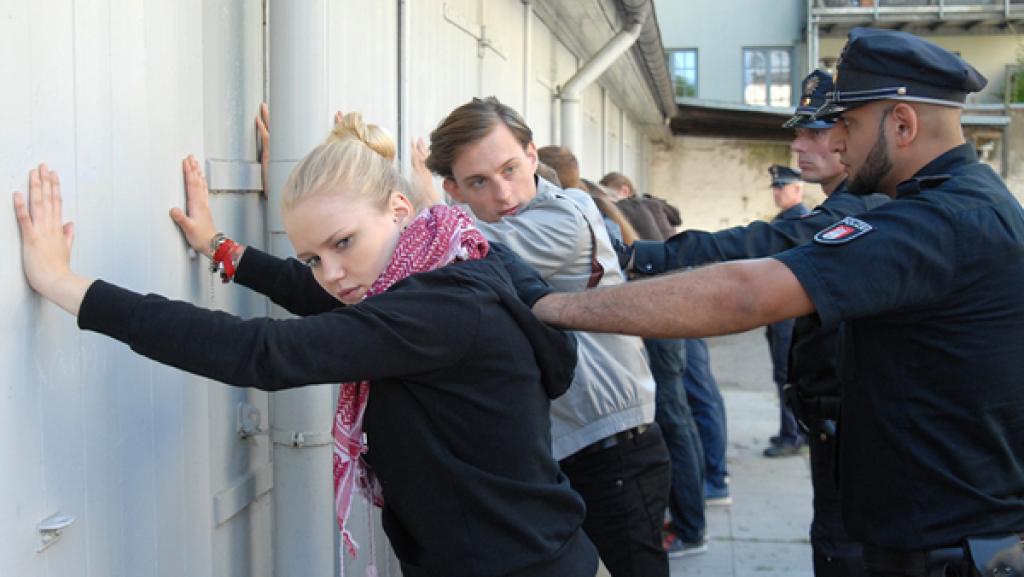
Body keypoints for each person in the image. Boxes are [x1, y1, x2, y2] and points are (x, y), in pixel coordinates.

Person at [527, 28, 1024, 577]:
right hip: (935, 525)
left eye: (849, 127)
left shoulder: (938, 222)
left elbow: (746, 293)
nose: (837, 144)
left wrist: (551, 307)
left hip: (939, 545)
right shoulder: (961, 204)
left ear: (902, 125)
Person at [15, 113, 600, 577]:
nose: (332, 272)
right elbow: (322, 296)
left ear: (400, 209)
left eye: (343, 242)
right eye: (314, 256)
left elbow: (262, 352)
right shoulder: (452, 252)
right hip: (527, 553)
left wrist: (68, 286)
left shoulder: (440, 307)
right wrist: (221, 248)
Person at [424, 97, 671, 577]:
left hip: (613, 454)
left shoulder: (564, 219)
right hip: (562, 454)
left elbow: (445, 249)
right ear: (454, 188)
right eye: (479, 181)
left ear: (533, 156)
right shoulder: (490, 221)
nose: (503, 193)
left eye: (510, 169)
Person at [603, 172, 731, 508]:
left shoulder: (613, 211)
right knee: (692, 406)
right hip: (673, 309)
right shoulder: (635, 208)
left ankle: (704, 497)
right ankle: (709, 486)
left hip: (666, 316)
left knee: (682, 414)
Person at [763, 164, 808, 458]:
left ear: (798, 189)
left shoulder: (798, 221)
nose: (777, 192)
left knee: (786, 372)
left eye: (783, 187)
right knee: (787, 371)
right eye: (776, 187)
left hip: (788, 313)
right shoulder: (785, 220)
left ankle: (792, 434)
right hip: (782, 310)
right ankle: (793, 430)